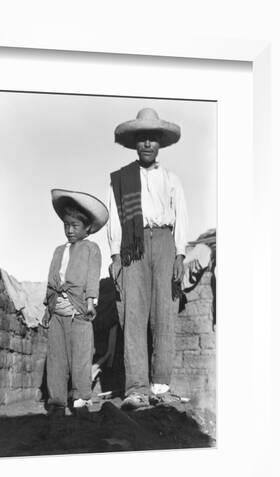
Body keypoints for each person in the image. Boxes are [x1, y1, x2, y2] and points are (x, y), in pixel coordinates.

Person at [107, 107, 189, 408]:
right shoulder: (120, 179)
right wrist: (116, 255)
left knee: (164, 314)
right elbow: (116, 219)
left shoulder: (172, 179)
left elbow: (182, 217)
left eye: (152, 139)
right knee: (134, 315)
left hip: (165, 242)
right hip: (133, 244)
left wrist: (180, 254)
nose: (147, 144)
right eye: (142, 138)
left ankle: (160, 385)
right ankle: (136, 388)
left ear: (160, 144)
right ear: (134, 143)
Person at [42, 189, 109, 416]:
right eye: (66, 225)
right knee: (56, 359)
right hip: (57, 313)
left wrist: (90, 302)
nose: (70, 230)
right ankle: (57, 400)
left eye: (75, 226)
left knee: (80, 357)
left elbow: (92, 277)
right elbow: (52, 279)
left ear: (87, 228)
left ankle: (81, 397)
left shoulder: (91, 249)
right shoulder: (58, 251)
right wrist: (47, 308)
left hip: (78, 312)